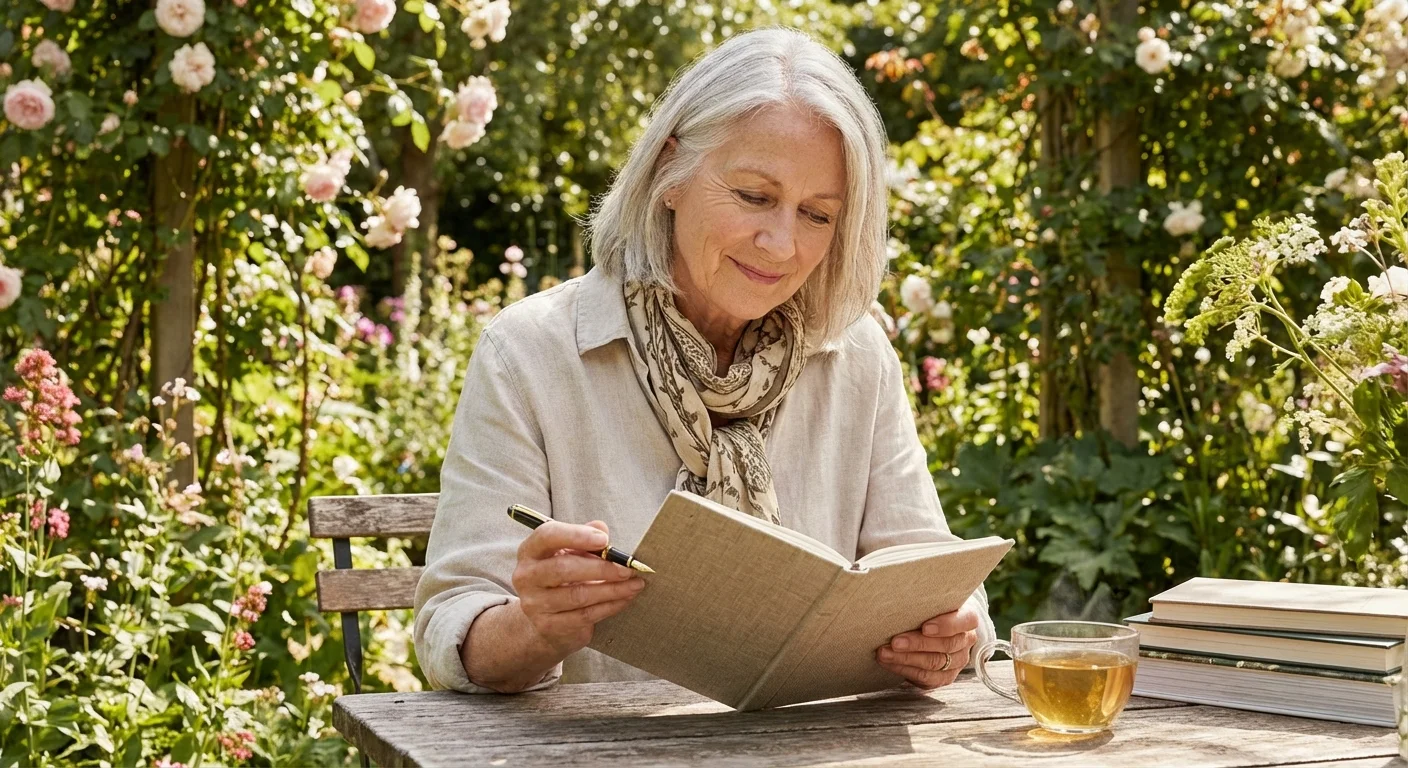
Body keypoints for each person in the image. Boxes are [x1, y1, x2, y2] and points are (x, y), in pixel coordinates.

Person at [413, 27, 996, 696]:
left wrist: (952, 637)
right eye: (754, 196)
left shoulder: (856, 353)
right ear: (670, 172)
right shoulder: (529, 352)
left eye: (816, 214)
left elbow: (936, 579)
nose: (780, 244)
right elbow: (452, 634)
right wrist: (538, 626)